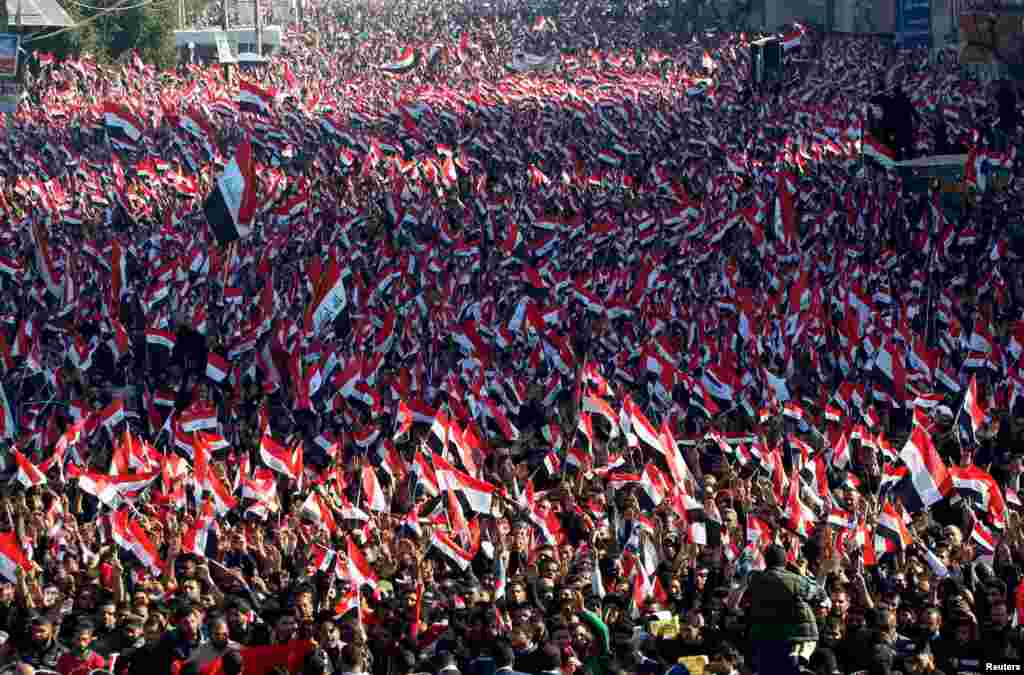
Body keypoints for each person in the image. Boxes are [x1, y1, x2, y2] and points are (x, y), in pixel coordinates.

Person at [747, 544, 825, 675]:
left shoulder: (755, 579)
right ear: (785, 560)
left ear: (766, 560)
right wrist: (802, 575)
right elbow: (820, 594)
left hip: (765, 640)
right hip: (794, 638)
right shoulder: (795, 580)